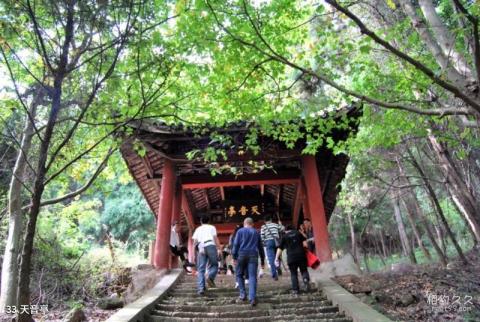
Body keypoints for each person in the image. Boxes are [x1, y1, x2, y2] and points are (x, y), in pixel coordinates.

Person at [232, 217, 265, 306]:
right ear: (252, 224)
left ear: (244, 223)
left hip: (241, 254)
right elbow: (260, 248)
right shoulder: (256, 232)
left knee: (239, 274)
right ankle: (252, 297)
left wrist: (234, 256)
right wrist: (262, 260)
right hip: (253, 255)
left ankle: (243, 294)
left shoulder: (240, 231)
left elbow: (235, 244)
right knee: (252, 276)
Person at [275, 225, 311, 295]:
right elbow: (305, 244)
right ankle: (305, 279)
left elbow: (280, 248)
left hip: (291, 257)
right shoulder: (298, 233)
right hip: (301, 255)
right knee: (303, 270)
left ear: (286, 230)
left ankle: (296, 290)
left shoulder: (284, 237)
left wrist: (276, 258)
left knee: (293, 273)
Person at [192, 215, 221, 295]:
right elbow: (215, 239)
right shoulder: (212, 227)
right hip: (210, 245)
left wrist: (194, 253)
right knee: (214, 264)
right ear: (209, 221)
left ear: (201, 222)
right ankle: (210, 277)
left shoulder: (198, 229)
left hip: (201, 246)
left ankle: (201, 288)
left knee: (201, 269)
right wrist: (219, 249)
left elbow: (194, 242)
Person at [260, 215, 284, 280]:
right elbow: (282, 229)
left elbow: (262, 237)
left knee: (271, 259)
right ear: (271, 219)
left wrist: (264, 243)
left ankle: (274, 275)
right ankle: (278, 267)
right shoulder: (275, 225)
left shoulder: (263, 227)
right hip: (277, 241)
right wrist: (280, 224)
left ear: (264, 221)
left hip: (268, 242)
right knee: (278, 256)